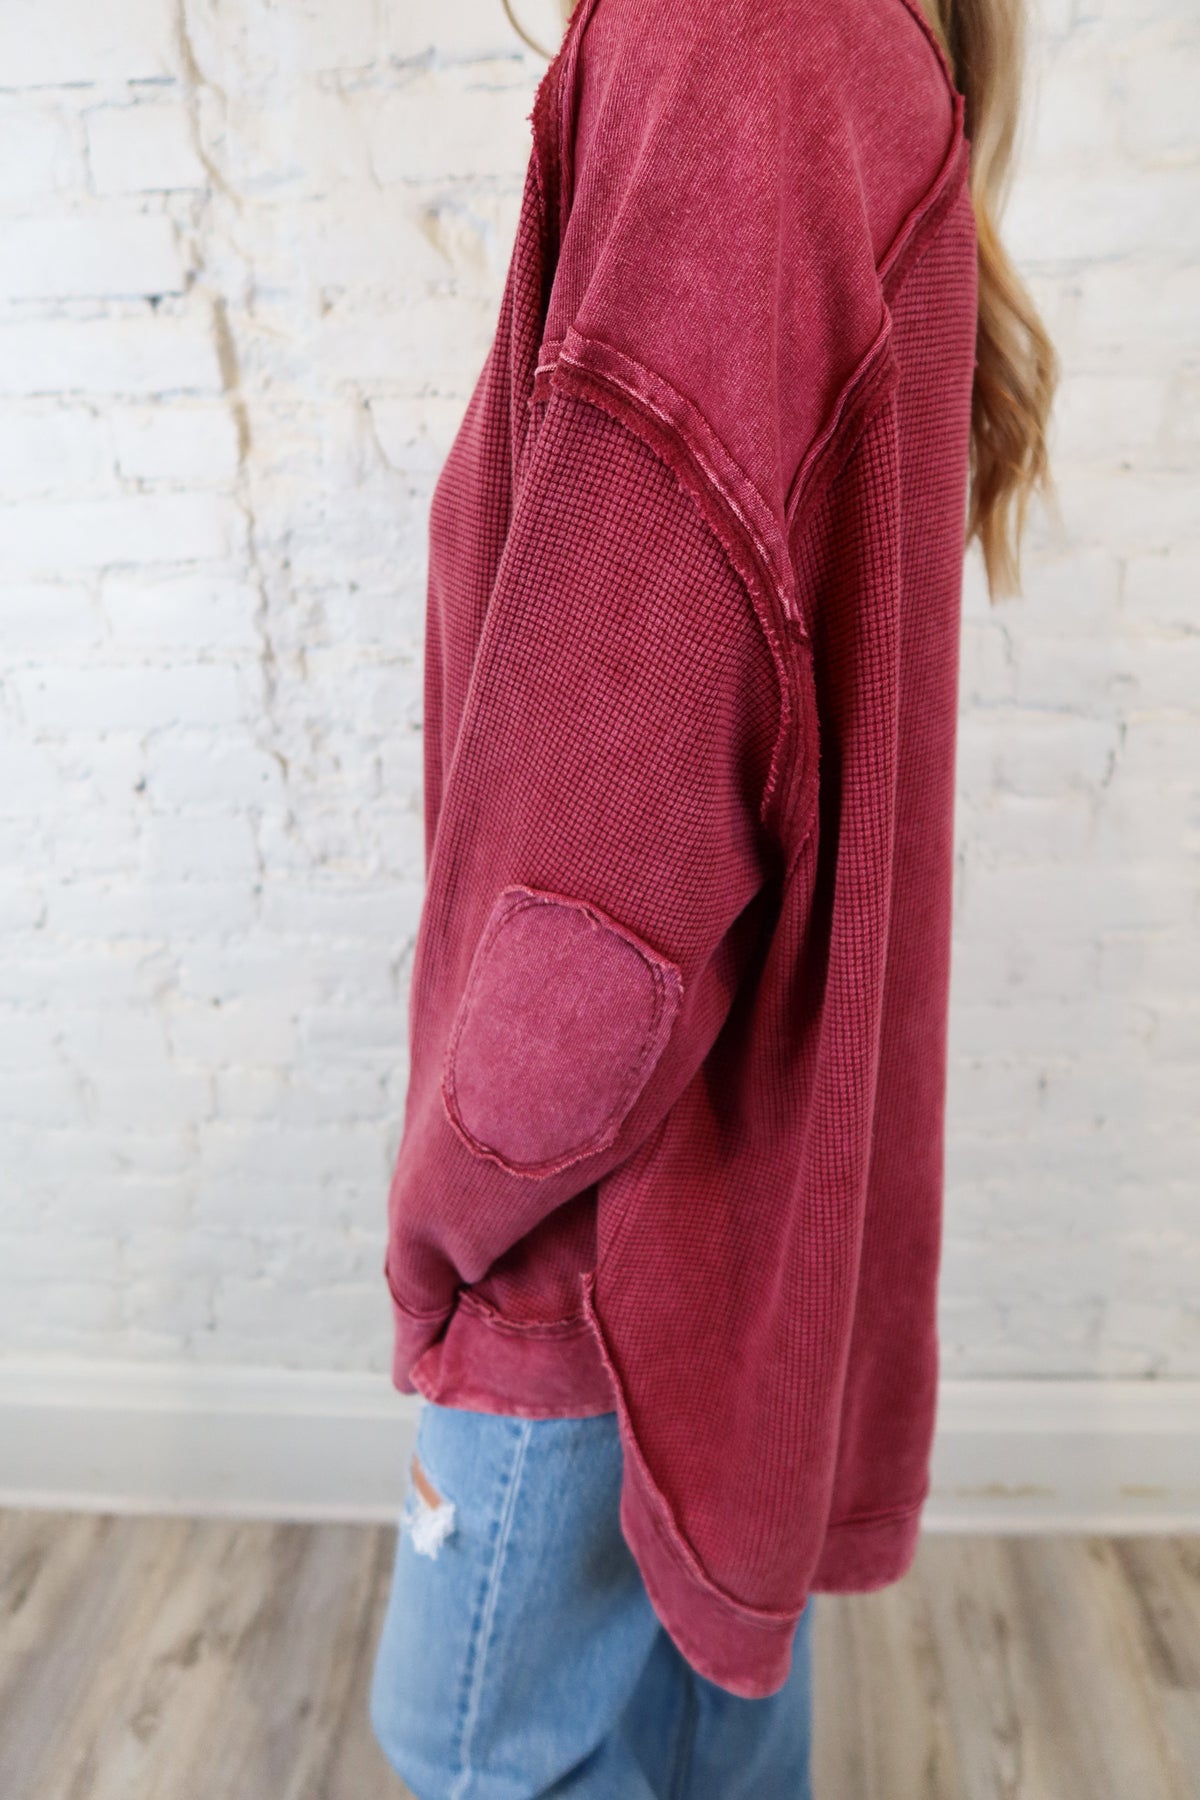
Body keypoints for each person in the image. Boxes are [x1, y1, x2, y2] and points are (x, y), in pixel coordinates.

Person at [369, 0, 1057, 1793]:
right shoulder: (835, 54)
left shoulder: (734, 51)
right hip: (742, 1234)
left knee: (467, 1748)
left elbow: (613, 861)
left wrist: (455, 1219)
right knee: (708, 1753)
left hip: (608, 1238)